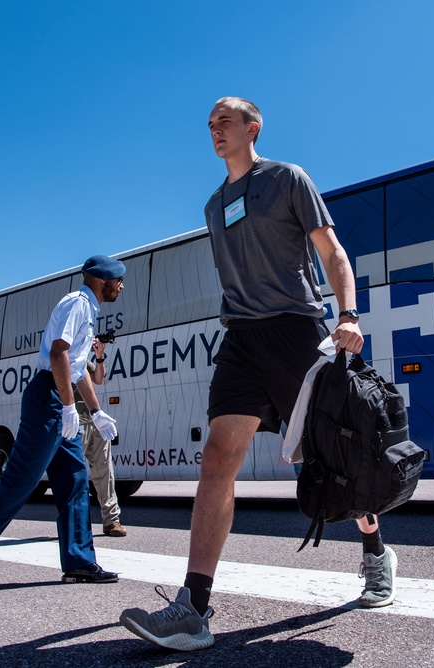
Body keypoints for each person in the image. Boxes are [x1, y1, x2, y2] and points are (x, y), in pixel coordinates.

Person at [120, 97, 396, 651]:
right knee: (218, 457)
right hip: (242, 337)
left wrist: (347, 314)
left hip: (297, 328)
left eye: (225, 121)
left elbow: (332, 253)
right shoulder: (214, 205)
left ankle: (374, 552)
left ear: (253, 127)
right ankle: (193, 609)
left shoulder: (288, 179)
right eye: (209, 125)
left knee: (336, 454)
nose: (215, 131)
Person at [0, 255, 126, 595]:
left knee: (75, 479)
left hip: (60, 396)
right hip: (50, 399)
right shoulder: (77, 305)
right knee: (18, 483)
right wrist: (69, 407)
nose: (122, 286)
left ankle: (79, 562)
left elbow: (77, 366)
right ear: (102, 280)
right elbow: (58, 355)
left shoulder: (88, 310)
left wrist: (97, 412)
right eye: (119, 280)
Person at [76, 336, 126, 537]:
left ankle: (111, 521)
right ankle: (76, 523)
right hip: (76, 423)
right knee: (75, 475)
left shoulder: (83, 359)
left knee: (105, 470)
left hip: (93, 421)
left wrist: (99, 357)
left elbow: (98, 379)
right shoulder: (68, 356)